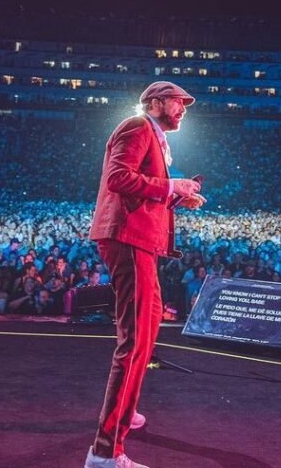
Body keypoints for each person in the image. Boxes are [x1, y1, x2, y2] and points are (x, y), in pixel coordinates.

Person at [84, 81, 205, 468]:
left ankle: (124, 412)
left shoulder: (153, 137)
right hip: (127, 238)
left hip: (140, 242)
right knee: (134, 342)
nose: (183, 108)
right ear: (155, 103)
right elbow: (118, 178)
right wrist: (171, 185)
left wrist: (175, 195)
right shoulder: (137, 128)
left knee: (146, 333)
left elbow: (140, 188)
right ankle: (105, 453)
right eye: (177, 101)